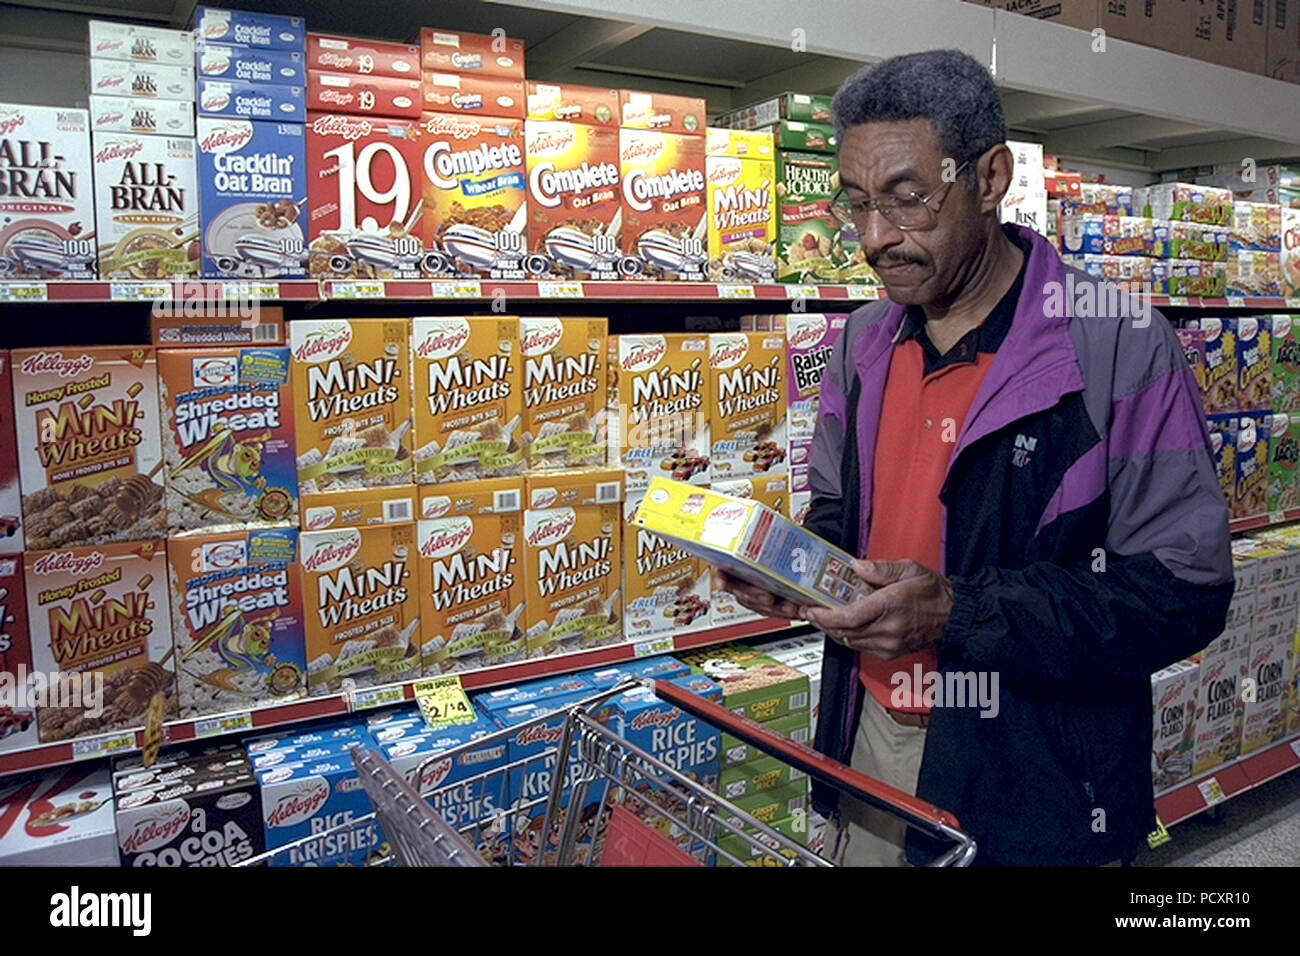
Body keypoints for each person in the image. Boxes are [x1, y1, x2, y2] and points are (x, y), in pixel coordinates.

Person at [714, 49, 1233, 867]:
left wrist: (958, 612)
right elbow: (842, 513)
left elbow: (1182, 595)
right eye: (857, 204)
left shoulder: (1120, 347)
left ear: (989, 179)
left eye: (908, 198)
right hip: (872, 735)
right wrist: (795, 566)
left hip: (1039, 777)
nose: (875, 238)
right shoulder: (862, 343)